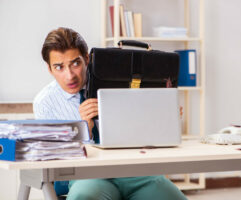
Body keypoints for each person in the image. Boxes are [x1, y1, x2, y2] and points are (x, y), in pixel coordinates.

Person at [33, 27, 187, 200]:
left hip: (134, 172)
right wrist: (84, 129)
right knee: (84, 196)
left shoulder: (118, 79)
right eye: (59, 67)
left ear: (86, 58)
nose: (69, 76)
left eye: (75, 63)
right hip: (87, 176)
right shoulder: (45, 102)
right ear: (50, 69)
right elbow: (53, 159)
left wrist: (165, 117)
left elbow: (142, 133)